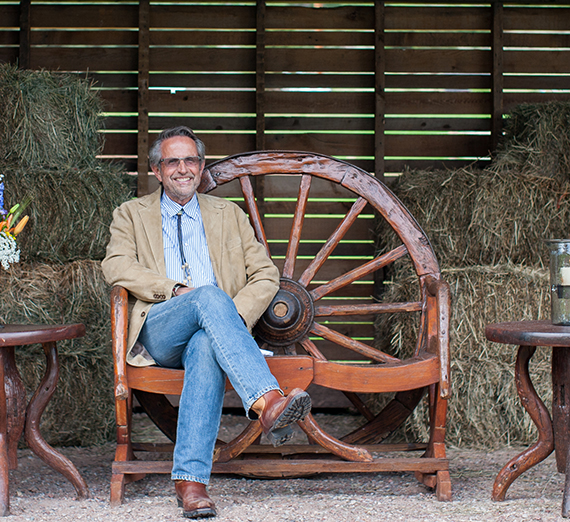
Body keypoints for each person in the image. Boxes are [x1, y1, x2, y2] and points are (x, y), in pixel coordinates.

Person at [101, 126, 311, 519]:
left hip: (213, 332)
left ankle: (191, 484)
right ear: (157, 171)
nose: (183, 168)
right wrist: (176, 290)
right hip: (160, 329)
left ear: (201, 167)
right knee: (207, 298)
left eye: (191, 160)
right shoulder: (130, 214)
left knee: (204, 342)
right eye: (173, 161)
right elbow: (115, 266)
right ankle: (267, 401)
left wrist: (226, 318)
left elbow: (265, 275)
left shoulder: (228, 214)